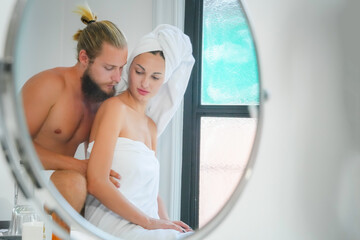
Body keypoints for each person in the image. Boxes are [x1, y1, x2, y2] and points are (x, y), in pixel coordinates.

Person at [85, 24, 195, 239]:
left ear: (164, 81)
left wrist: (167, 222)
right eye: (139, 71)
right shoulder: (114, 109)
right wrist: (149, 222)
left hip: (146, 224)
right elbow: (97, 182)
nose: (145, 82)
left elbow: (152, 193)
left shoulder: (151, 127)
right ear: (129, 68)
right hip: (113, 223)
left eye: (155, 77)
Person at [21, 5, 127, 214]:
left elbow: (98, 157)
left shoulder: (101, 100)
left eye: (121, 67)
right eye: (109, 68)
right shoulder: (49, 85)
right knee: (74, 183)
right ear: (84, 58)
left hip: (64, 180)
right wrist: (79, 166)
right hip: (26, 175)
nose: (117, 78)